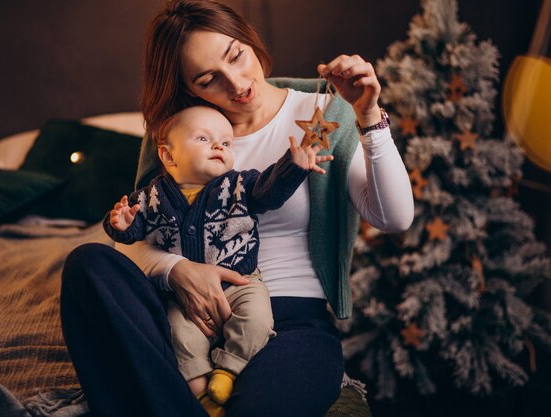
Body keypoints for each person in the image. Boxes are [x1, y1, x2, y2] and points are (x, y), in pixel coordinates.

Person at [60, 1, 414, 416]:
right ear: (189, 88)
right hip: (182, 312)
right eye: (209, 79)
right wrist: (179, 272)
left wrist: (368, 114)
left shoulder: (323, 112)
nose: (237, 83)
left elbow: (394, 218)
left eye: (236, 55)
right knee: (89, 264)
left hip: (288, 320)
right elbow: (136, 239)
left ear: (250, 40)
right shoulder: (178, 131)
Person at [102, 105, 333, 412]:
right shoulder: (150, 197)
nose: (218, 147)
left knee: (258, 319)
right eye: (203, 138)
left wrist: (294, 166)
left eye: (226, 143)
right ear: (169, 156)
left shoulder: (239, 185)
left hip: (243, 282)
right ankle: (201, 393)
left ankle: (228, 370)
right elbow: (133, 234)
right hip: (184, 296)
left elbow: (271, 191)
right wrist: (121, 224)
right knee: (179, 334)